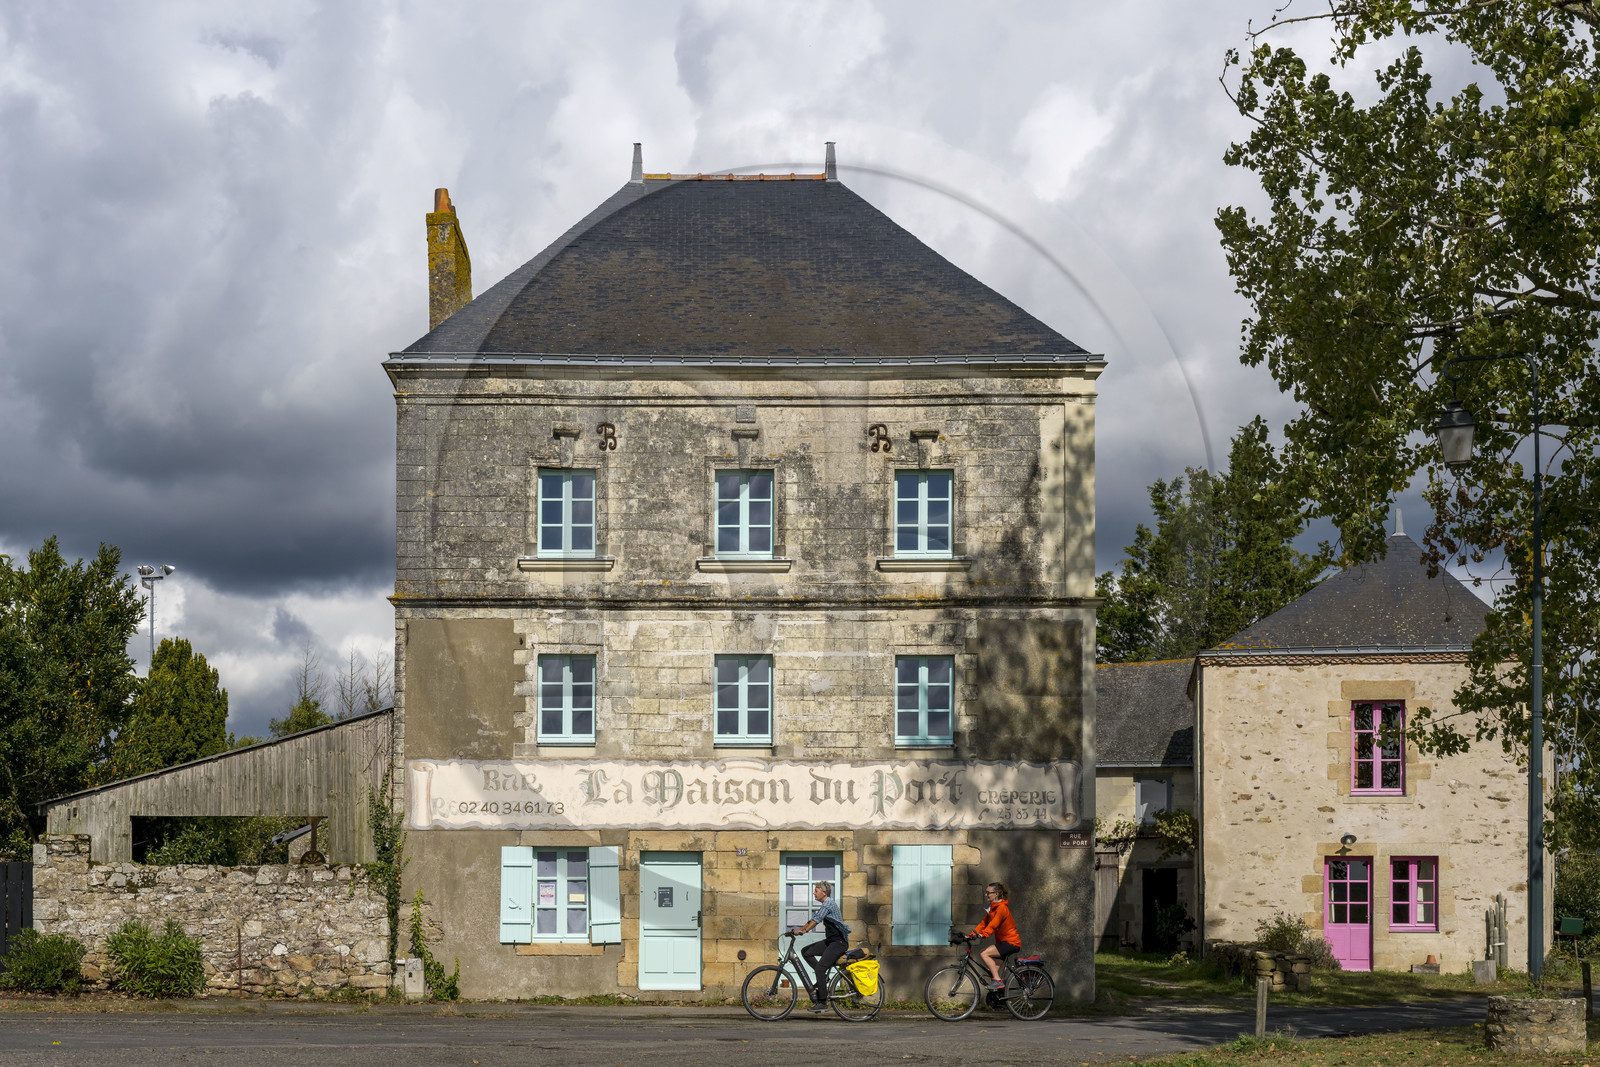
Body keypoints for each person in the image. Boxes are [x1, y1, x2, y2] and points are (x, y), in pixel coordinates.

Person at [790, 880, 849, 1013]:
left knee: (820, 969)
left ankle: (822, 1003)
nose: (813, 893)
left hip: (839, 943)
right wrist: (799, 930)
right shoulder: (825, 903)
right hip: (831, 941)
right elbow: (814, 918)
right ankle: (824, 979)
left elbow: (816, 920)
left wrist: (803, 931)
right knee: (806, 952)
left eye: (816, 891)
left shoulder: (828, 903)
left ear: (824, 892)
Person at [970, 881, 1021, 990]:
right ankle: (1001, 996)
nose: (986, 895)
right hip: (1003, 943)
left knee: (984, 953)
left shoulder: (1001, 908)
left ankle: (998, 981)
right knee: (991, 970)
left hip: (1011, 942)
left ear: (996, 894)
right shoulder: (992, 909)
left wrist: (981, 935)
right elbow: (983, 924)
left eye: (988, 893)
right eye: (986, 892)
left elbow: (993, 925)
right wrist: (970, 935)